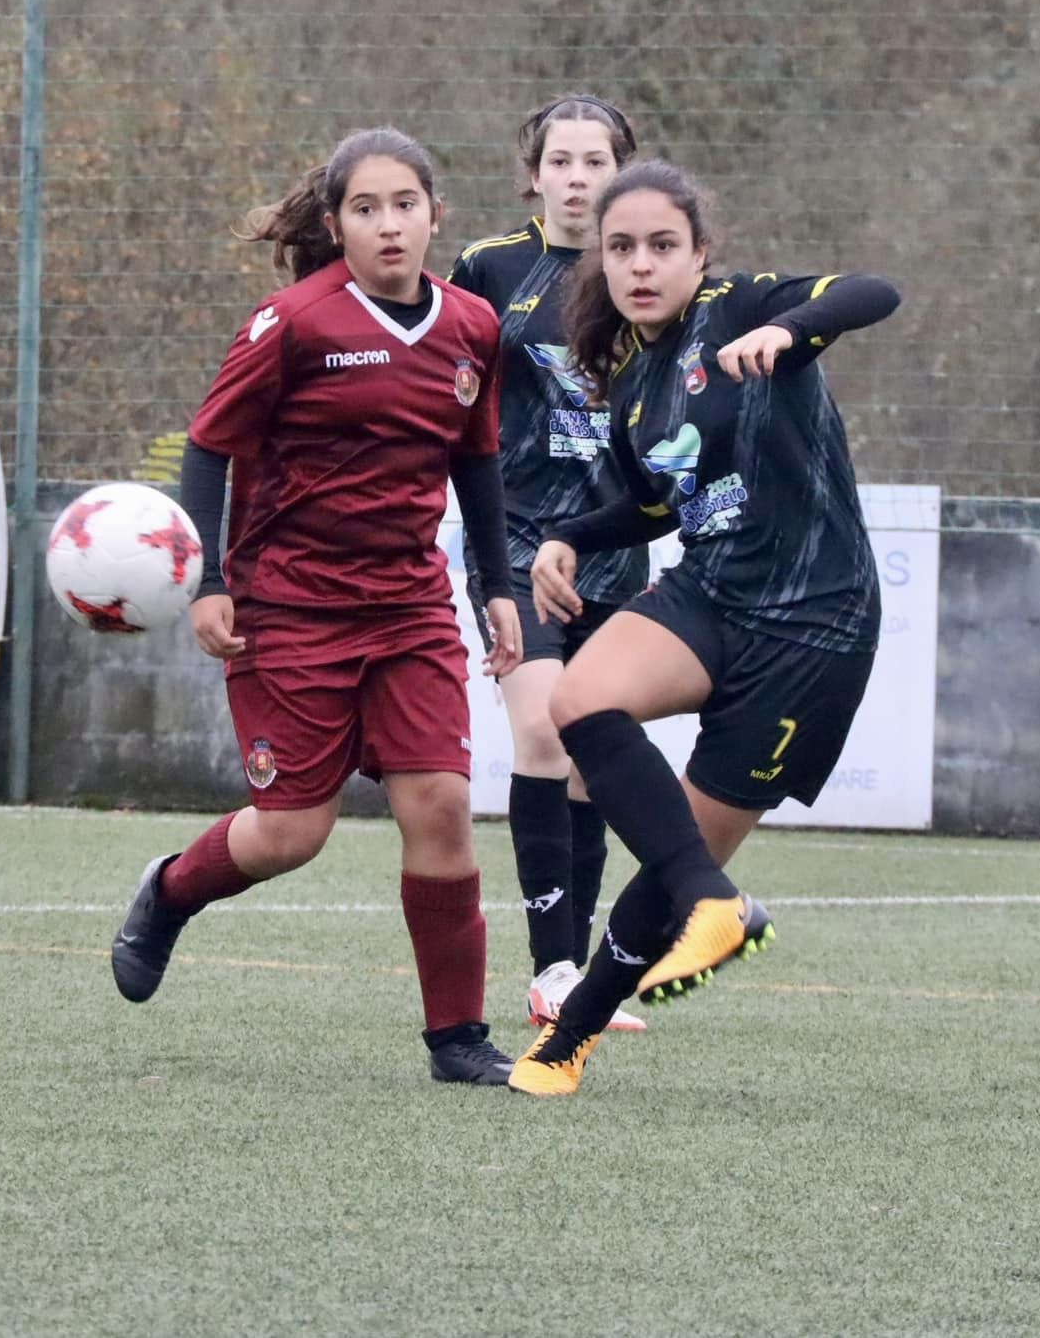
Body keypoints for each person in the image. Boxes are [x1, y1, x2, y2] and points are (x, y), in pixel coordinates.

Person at [108, 127, 528, 1086]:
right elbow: (208, 448)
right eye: (367, 209)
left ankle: (457, 1039)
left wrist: (493, 588)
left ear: (435, 214)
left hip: (409, 605)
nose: (389, 226)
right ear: (335, 224)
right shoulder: (293, 324)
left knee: (444, 809)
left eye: (405, 205)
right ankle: (171, 893)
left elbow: (478, 463)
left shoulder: (472, 327)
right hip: (290, 606)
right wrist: (210, 582)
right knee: (294, 831)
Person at [505, 160, 901, 1095]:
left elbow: (873, 290)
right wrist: (563, 537)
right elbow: (648, 507)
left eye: (662, 246)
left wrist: (789, 326)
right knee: (581, 699)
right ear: (599, 263)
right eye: (621, 249)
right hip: (712, 593)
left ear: (699, 255)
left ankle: (565, 1048)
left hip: (816, 625)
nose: (641, 265)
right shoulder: (639, 382)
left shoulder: (740, 309)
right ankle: (717, 904)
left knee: (673, 858)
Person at [448, 93, 649, 1033]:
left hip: (613, 545)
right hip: (517, 538)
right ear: (534, 173)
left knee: (589, 755)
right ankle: (555, 969)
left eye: (596, 161)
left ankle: (577, 979)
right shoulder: (491, 268)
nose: (578, 177)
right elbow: (442, 396)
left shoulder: (649, 273)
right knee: (542, 732)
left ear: (624, 171)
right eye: (561, 161)